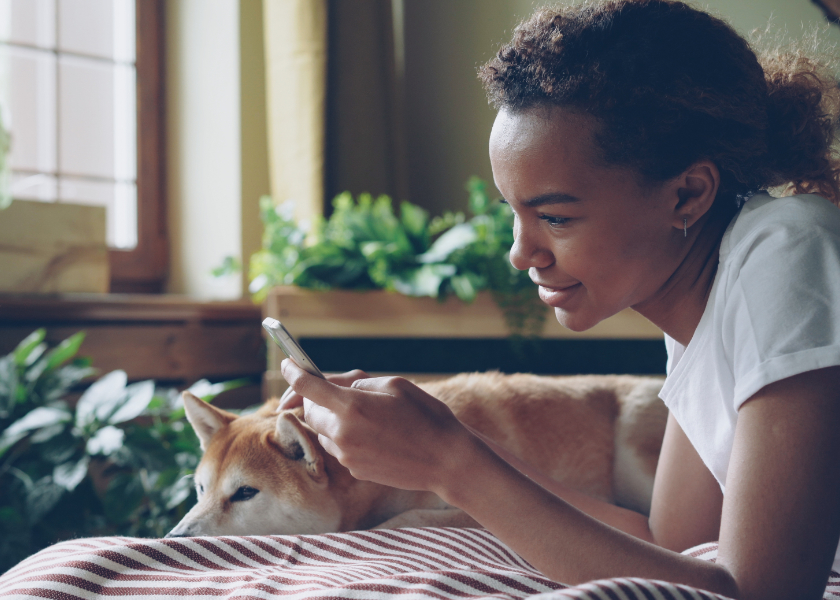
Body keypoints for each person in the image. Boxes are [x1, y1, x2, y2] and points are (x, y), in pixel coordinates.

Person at [278, 1, 840, 597]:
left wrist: (452, 462)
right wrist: (446, 444)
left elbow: (758, 594)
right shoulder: (701, 305)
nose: (521, 253)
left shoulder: (788, 246)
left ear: (688, 194)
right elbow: (668, 545)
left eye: (555, 216)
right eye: (515, 214)